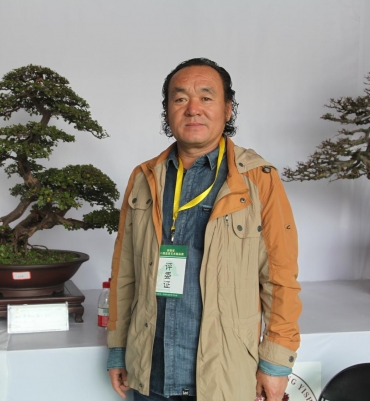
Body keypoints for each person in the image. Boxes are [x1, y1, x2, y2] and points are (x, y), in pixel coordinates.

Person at [106, 58, 302, 401]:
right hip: (149, 371)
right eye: (180, 98)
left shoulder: (259, 179)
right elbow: (125, 273)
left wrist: (275, 364)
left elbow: (280, 278)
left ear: (228, 109)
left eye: (206, 97)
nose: (193, 108)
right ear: (167, 110)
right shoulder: (143, 178)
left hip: (224, 376)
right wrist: (118, 349)